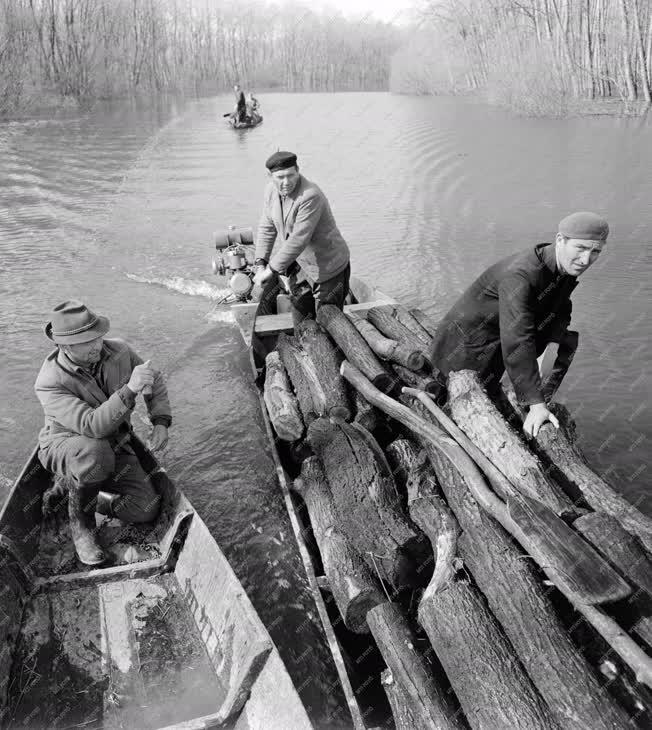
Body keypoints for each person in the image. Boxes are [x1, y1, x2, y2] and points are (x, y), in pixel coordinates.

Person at [429, 211, 609, 438]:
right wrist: (535, 402)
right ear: (560, 240)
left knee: (566, 342)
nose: (586, 260)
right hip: (468, 344)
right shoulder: (521, 274)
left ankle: (531, 406)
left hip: (501, 332)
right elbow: (517, 340)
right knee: (461, 405)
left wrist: (552, 346)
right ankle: (532, 406)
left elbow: (562, 306)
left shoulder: (559, 263)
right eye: (581, 248)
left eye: (595, 252)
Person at [34, 300, 172, 565]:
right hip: (67, 446)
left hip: (113, 444)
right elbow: (92, 426)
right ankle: (81, 524)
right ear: (63, 346)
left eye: (98, 337)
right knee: (95, 452)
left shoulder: (120, 351)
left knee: (146, 509)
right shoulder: (49, 381)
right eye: (87, 342)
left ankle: (87, 493)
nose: (97, 345)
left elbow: (153, 379)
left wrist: (161, 421)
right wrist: (130, 390)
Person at [252, 151, 351, 322]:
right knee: (302, 321)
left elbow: (299, 239)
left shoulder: (310, 195)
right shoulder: (270, 191)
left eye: (291, 175)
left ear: (298, 170)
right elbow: (267, 227)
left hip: (328, 268)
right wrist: (260, 262)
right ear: (270, 176)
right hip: (298, 268)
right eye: (280, 177)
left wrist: (271, 270)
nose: (286, 182)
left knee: (330, 325)